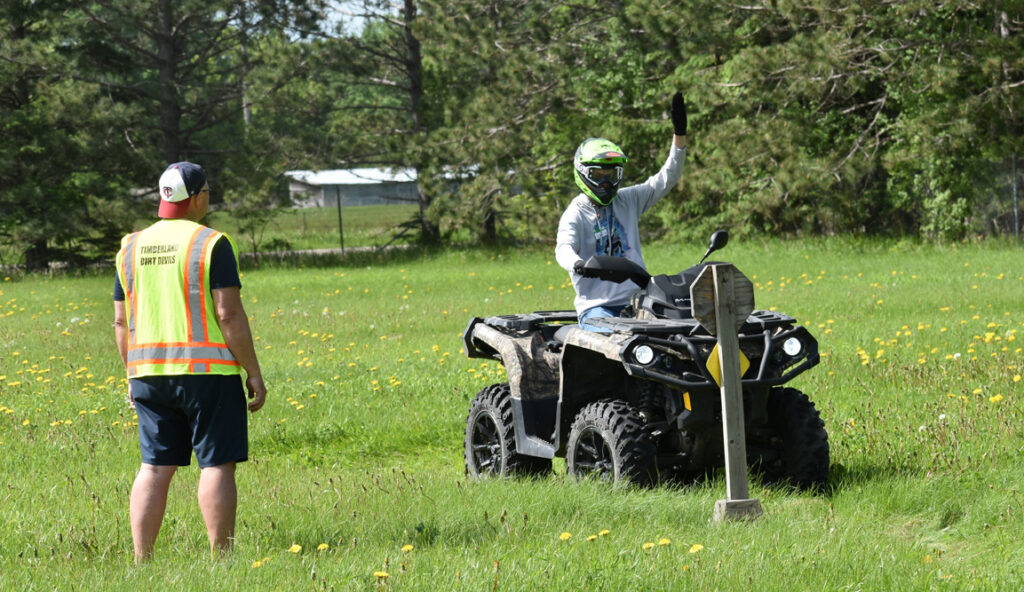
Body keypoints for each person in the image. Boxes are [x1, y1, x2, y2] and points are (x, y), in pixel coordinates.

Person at [113, 162, 266, 562]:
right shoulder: (211, 243)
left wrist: (132, 373)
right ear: (196, 197)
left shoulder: (130, 245)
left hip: (147, 373)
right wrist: (252, 370)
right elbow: (228, 314)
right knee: (216, 464)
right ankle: (222, 558)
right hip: (207, 373)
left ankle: (141, 560)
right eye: (208, 192)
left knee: (154, 467)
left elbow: (120, 320)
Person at [555, 92, 689, 331]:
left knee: (679, 330)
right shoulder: (575, 213)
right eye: (598, 175)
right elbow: (563, 247)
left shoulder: (628, 200)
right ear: (582, 173)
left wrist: (679, 136)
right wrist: (578, 264)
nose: (606, 183)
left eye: (612, 175)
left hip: (640, 300)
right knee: (618, 342)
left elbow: (667, 178)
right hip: (597, 307)